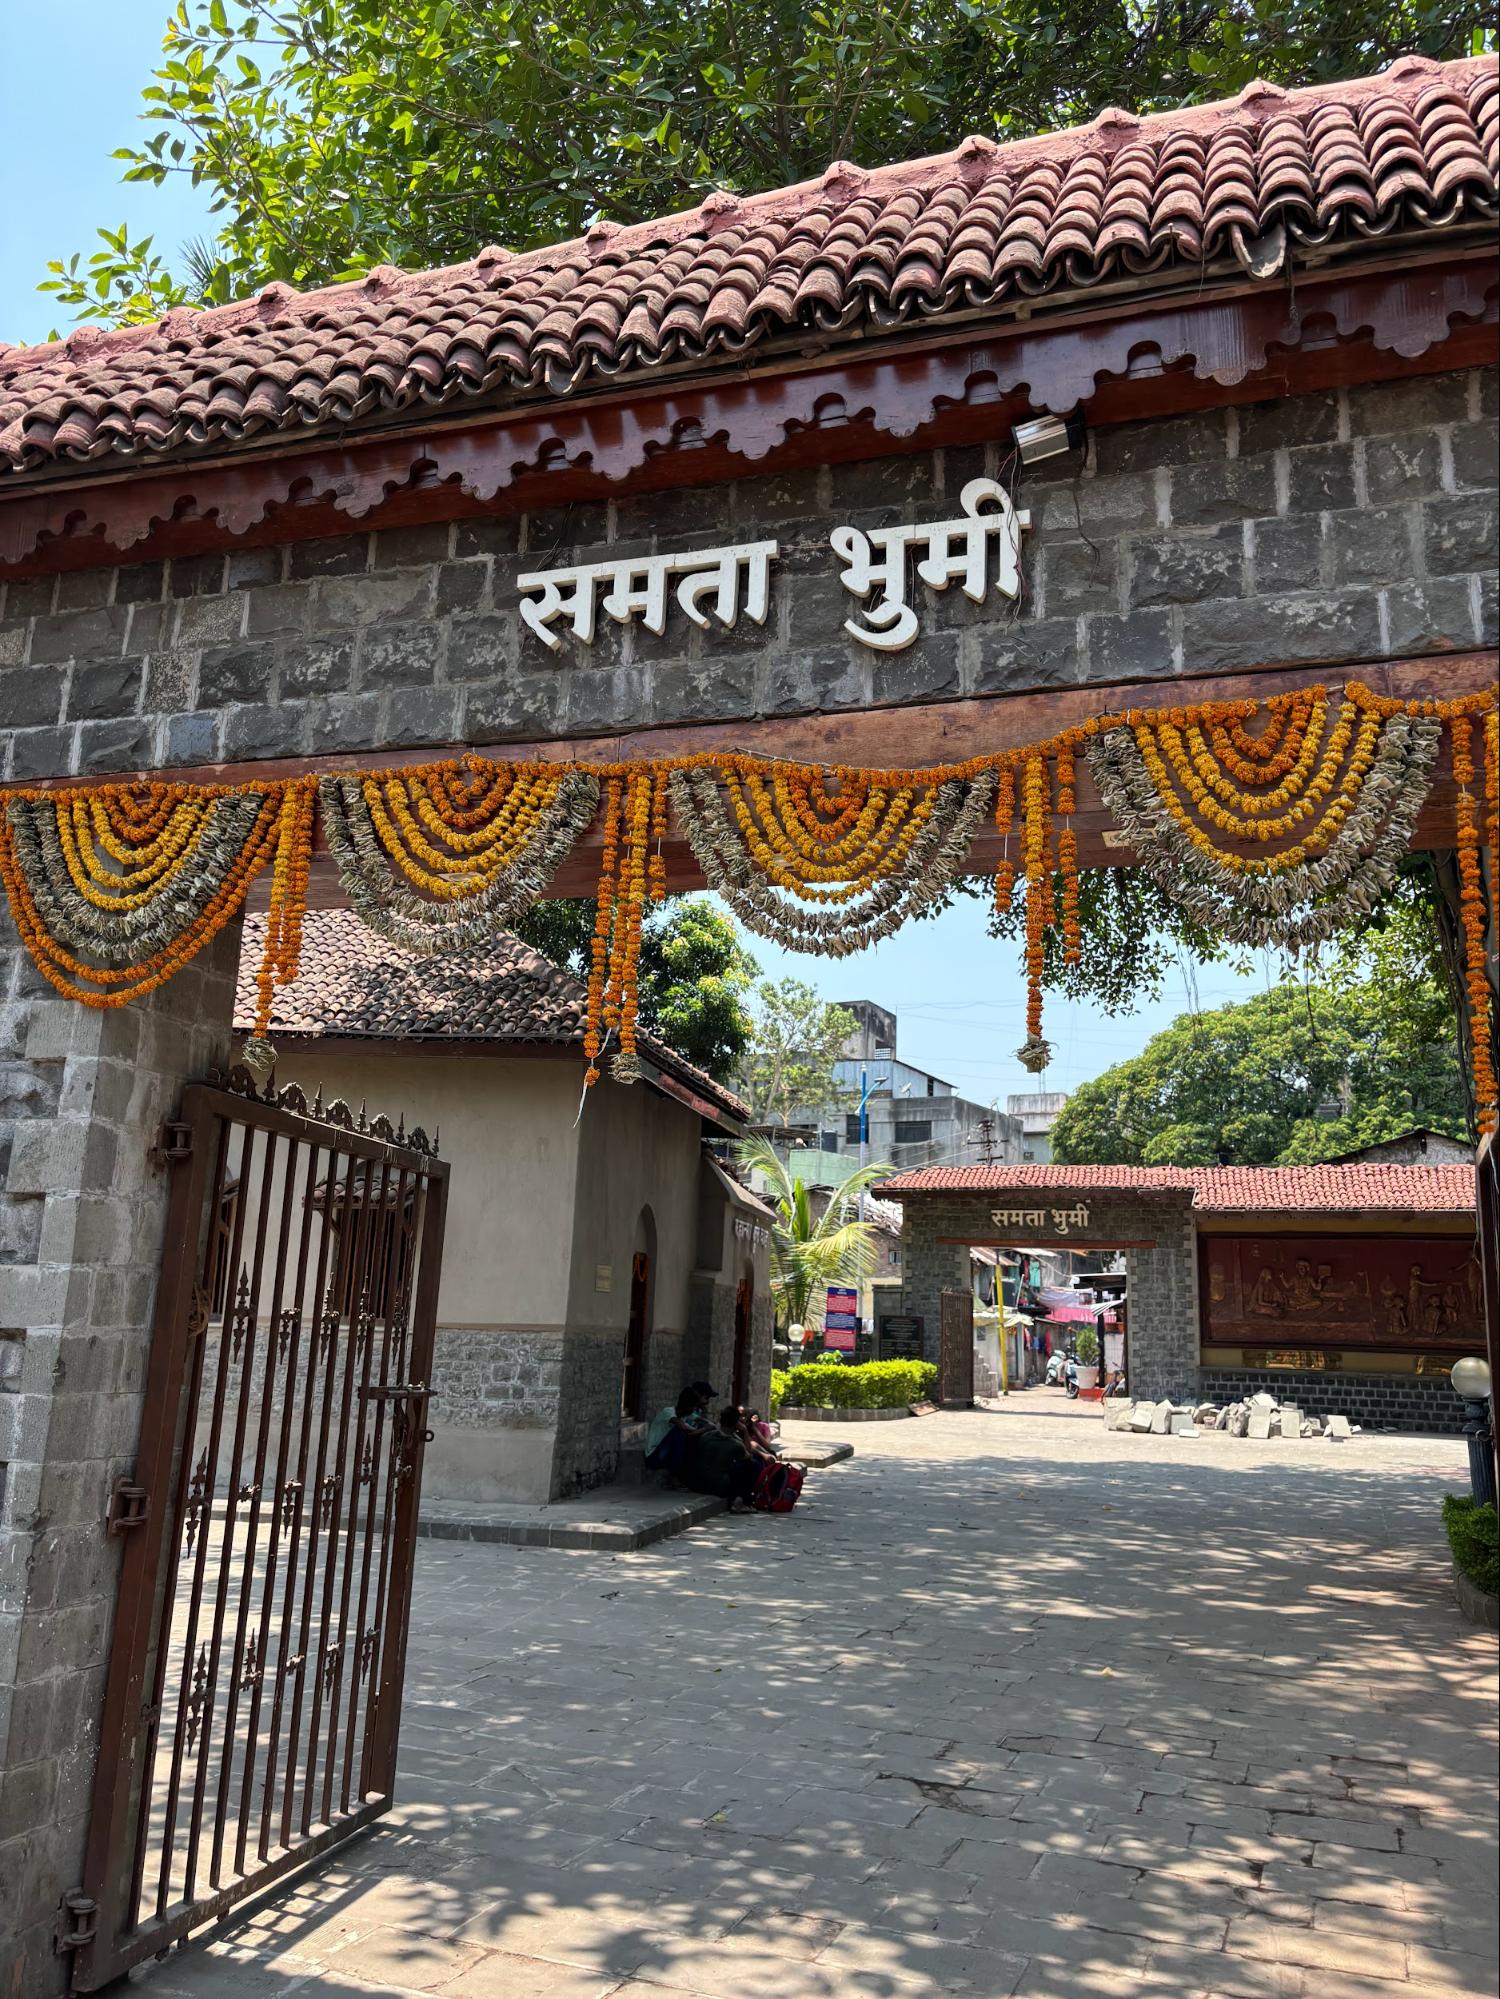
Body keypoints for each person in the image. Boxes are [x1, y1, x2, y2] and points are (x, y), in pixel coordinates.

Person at [684, 1405, 760, 1511]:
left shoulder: (706, 1436)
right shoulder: (735, 1445)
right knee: (752, 1464)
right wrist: (745, 1431)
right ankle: (740, 1501)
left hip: (697, 1483)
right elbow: (748, 1455)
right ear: (736, 1424)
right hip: (717, 1487)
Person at [644, 1383, 714, 1482]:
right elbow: (683, 1427)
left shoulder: (687, 1414)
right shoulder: (668, 1412)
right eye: (694, 1407)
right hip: (654, 1457)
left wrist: (705, 1427)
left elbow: (709, 1424)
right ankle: (674, 1477)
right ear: (688, 1405)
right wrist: (705, 1429)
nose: (695, 1410)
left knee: (695, 1433)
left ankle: (692, 1472)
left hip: (666, 1456)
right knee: (679, 1432)